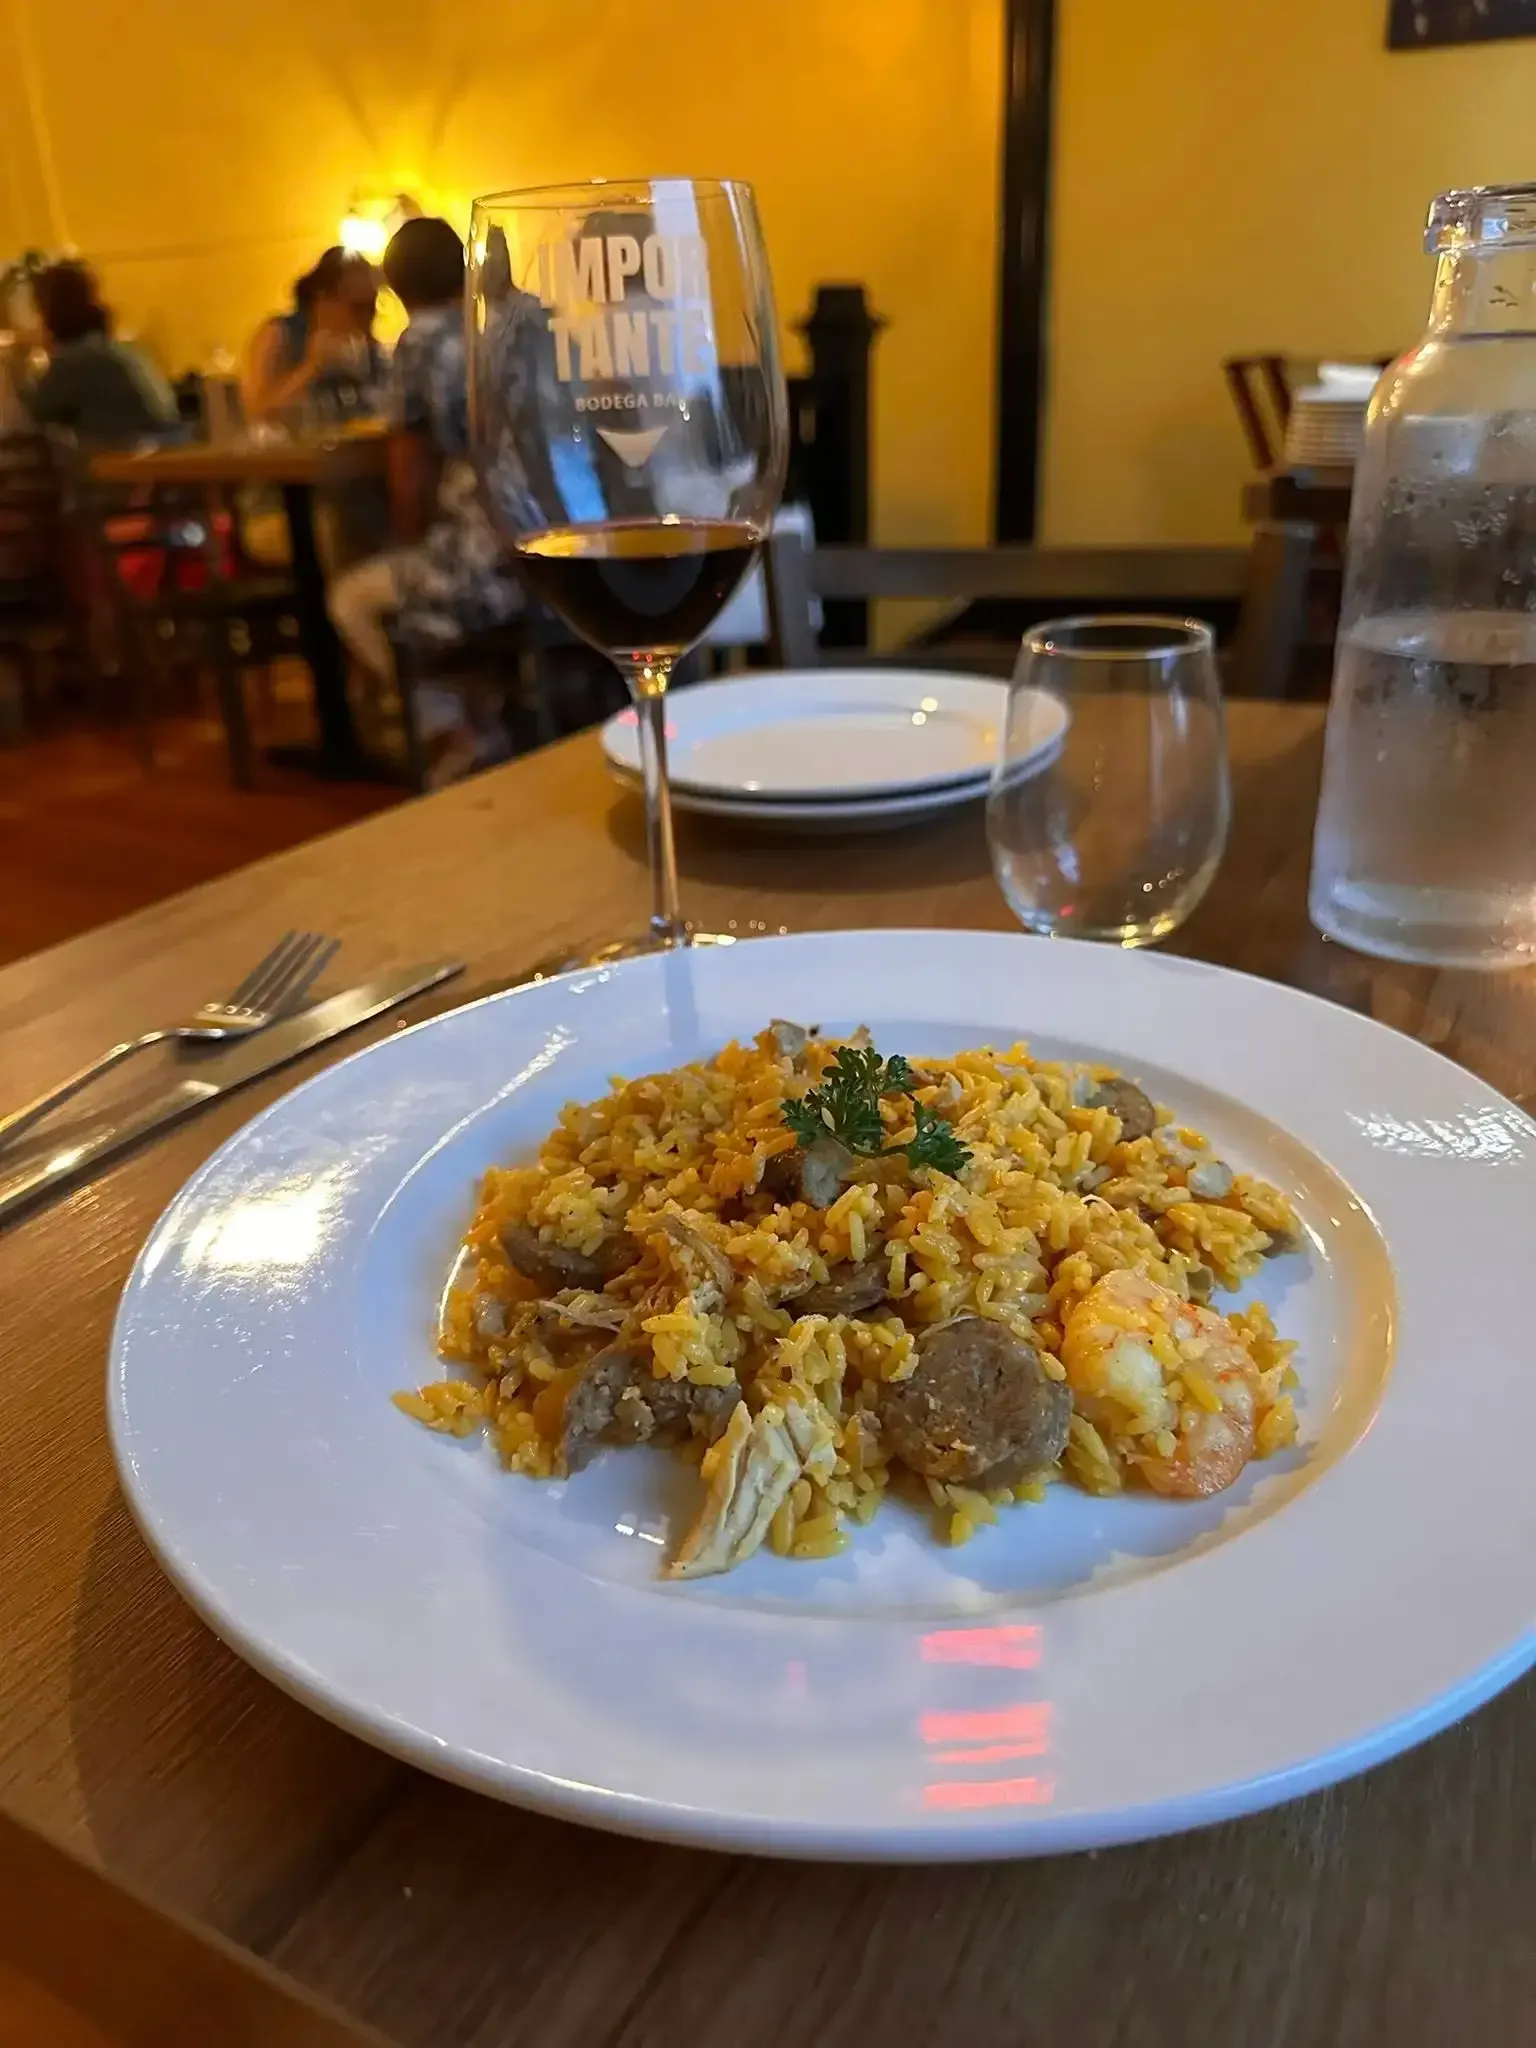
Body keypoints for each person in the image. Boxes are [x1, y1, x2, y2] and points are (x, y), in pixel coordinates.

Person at [328, 216, 521, 784]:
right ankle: (490, 715)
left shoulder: (421, 342)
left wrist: (404, 537)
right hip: (548, 551)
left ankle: (454, 731)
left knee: (353, 597)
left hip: (489, 566)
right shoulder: (507, 327)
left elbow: (409, 468)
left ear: (395, 287)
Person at [24, 262, 181, 445]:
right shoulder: (124, 350)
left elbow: (36, 415)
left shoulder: (73, 360)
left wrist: (23, 364)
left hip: (126, 463)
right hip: (168, 452)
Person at [242, 248, 384, 423]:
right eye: (357, 308)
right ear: (323, 297)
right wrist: (312, 367)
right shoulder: (280, 333)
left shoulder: (368, 347)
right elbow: (257, 410)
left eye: (372, 307)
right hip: (295, 447)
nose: (367, 318)